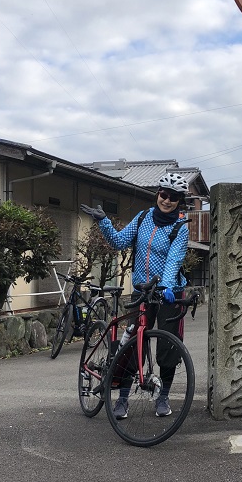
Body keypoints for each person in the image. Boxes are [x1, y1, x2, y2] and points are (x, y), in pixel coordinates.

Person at [80, 172, 190, 420]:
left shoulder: (180, 227)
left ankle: (163, 398)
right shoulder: (143, 218)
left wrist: (168, 287)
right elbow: (119, 242)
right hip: (142, 290)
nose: (167, 200)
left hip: (169, 293)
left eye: (174, 197)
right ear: (157, 194)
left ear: (179, 201)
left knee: (168, 347)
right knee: (132, 344)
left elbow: (173, 261)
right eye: (164, 194)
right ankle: (123, 399)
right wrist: (103, 221)